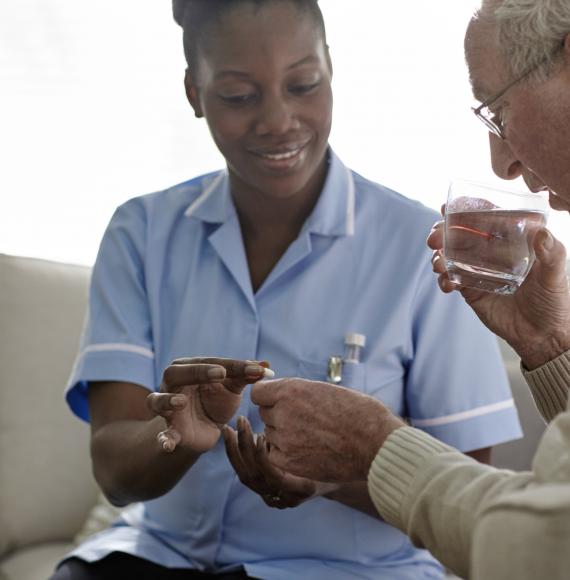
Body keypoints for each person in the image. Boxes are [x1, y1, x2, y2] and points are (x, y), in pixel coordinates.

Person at [51, 1, 522, 579]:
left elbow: (466, 502)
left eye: (303, 84)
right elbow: (116, 475)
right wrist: (175, 431)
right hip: (155, 560)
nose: (278, 119)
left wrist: (335, 476)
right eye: (239, 96)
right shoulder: (140, 233)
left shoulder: (421, 247)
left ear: (330, 69)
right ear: (194, 94)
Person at [247, 1, 570, 578]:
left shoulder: (402, 233)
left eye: (497, 112)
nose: (503, 164)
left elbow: (540, 543)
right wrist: (551, 349)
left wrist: (375, 447)